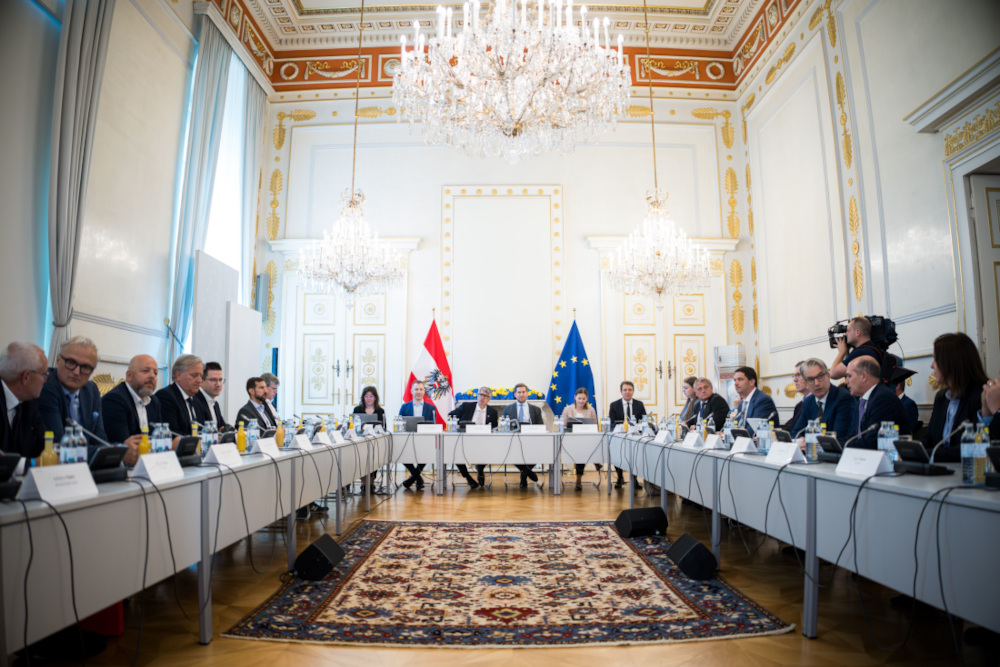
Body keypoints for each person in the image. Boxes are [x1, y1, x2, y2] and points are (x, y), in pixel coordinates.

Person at [918, 333, 987, 462]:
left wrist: (930, 454)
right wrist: (913, 449)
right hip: (939, 467)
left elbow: (969, 448)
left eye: (935, 359)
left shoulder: (980, 396)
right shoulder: (941, 397)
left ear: (951, 363)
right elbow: (929, 436)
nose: (932, 365)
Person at [38, 336, 109, 458]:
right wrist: (104, 453)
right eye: (71, 362)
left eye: (85, 367)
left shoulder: (92, 390)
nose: (76, 372)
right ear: (58, 360)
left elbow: (100, 439)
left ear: (92, 372)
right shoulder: (46, 387)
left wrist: (115, 451)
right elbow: (61, 446)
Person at [102, 354, 164, 465]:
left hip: (150, 464)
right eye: (145, 371)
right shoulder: (115, 400)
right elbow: (124, 447)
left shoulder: (154, 402)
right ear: (129, 376)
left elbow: (159, 439)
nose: (152, 376)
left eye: (155, 373)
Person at [844, 357, 910, 449]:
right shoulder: (862, 401)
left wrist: (842, 446)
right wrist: (833, 444)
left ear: (864, 376)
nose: (846, 381)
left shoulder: (883, 398)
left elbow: (873, 442)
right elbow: (854, 436)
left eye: (849, 376)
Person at [0, 342, 49, 458]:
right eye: (44, 375)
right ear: (26, 376)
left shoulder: (29, 401)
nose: (45, 380)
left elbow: (44, 441)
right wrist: (27, 464)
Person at [792, 358, 856, 444]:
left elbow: (839, 438)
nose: (817, 383)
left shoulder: (843, 398)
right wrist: (801, 440)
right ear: (806, 383)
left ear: (828, 376)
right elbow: (795, 433)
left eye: (820, 376)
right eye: (811, 379)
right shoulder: (808, 402)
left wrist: (810, 442)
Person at [448, 386, 497, 489]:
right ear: (477, 395)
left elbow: (495, 428)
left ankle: (480, 469)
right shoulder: (467, 406)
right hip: (465, 440)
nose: (482, 397)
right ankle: (468, 477)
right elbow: (451, 415)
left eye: (485, 396)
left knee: (492, 449)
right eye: (480, 394)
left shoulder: (493, 412)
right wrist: (457, 424)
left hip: (484, 441)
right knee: (455, 453)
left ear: (489, 399)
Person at [154, 354, 211, 436]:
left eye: (201, 376)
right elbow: (172, 434)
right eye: (194, 375)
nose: (199, 380)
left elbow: (202, 429)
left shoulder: (197, 401)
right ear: (178, 376)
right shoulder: (165, 396)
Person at [501, 383, 544, 488]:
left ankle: (524, 474)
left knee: (541, 451)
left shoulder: (536, 409)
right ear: (515, 394)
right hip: (513, 440)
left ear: (527, 393)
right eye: (519, 392)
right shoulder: (507, 409)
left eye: (523, 392)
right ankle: (527, 472)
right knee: (509, 452)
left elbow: (541, 426)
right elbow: (503, 426)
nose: (521, 394)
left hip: (532, 440)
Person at [608, 380, 646, 490]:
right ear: (621, 392)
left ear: (633, 391)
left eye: (630, 390)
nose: (627, 392)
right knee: (616, 453)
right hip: (619, 437)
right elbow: (611, 423)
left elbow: (644, 421)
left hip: (635, 437)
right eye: (625, 390)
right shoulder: (614, 405)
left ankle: (634, 479)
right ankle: (620, 478)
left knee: (635, 456)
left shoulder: (639, 404)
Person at [399, 380, 437, 489]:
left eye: (421, 389)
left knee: (427, 452)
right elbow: (400, 424)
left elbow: (433, 426)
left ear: (424, 391)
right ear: (411, 391)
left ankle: (413, 478)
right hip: (408, 439)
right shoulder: (404, 407)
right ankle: (417, 477)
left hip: (425, 440)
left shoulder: (431, 408)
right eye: (416, 389)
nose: (418, 392)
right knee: (400, 452)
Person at [561, 387, 601, 491]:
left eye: (583, 399)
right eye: (579, 398)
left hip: (586, 439)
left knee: (582, 449)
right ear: (575, 397)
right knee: (581, 450)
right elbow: (562, 426)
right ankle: (595, 462)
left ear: (587, 398)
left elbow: (595, 426)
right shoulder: (568, 409)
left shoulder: (591, 410)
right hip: (571, 440)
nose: (581, 401)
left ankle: (578, 480)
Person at [353, 385, 386, 490]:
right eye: (366, 396)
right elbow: (353, 427)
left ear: (375, 397)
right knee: (361, 457)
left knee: (374, 456)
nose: (369, 398)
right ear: (363, 397)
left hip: (375, 442)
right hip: (360, 441)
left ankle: (371, 482)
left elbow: (384, 427)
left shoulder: (380, 411)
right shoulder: (357, 409)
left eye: (371, 396)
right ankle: (364, 482)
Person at [830, 316, 882, 380]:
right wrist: (847, 353)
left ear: (858, 332)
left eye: (848, 330)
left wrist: (841, 352)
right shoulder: (872, 348)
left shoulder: (860, 353)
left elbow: (833, 374)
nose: (846, 334)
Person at [731, 366, 777, 437]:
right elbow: (736, 426)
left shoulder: (763, 400)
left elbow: (753, 431)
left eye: (740, 379)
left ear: (752, 382)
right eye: (734, 380)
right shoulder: (741, 403)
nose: (735, 383)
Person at [195, 361, 229, 431]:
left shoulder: (215, 404)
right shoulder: (195, 401)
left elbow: (223, 427)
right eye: (213, 380)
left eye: (220, 380)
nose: (218, 384)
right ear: (201, 381)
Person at [783, 361, 810, 431]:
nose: (794, 379)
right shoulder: (798, 406)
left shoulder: (818, 403)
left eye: (798, 375)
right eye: (794, 376)